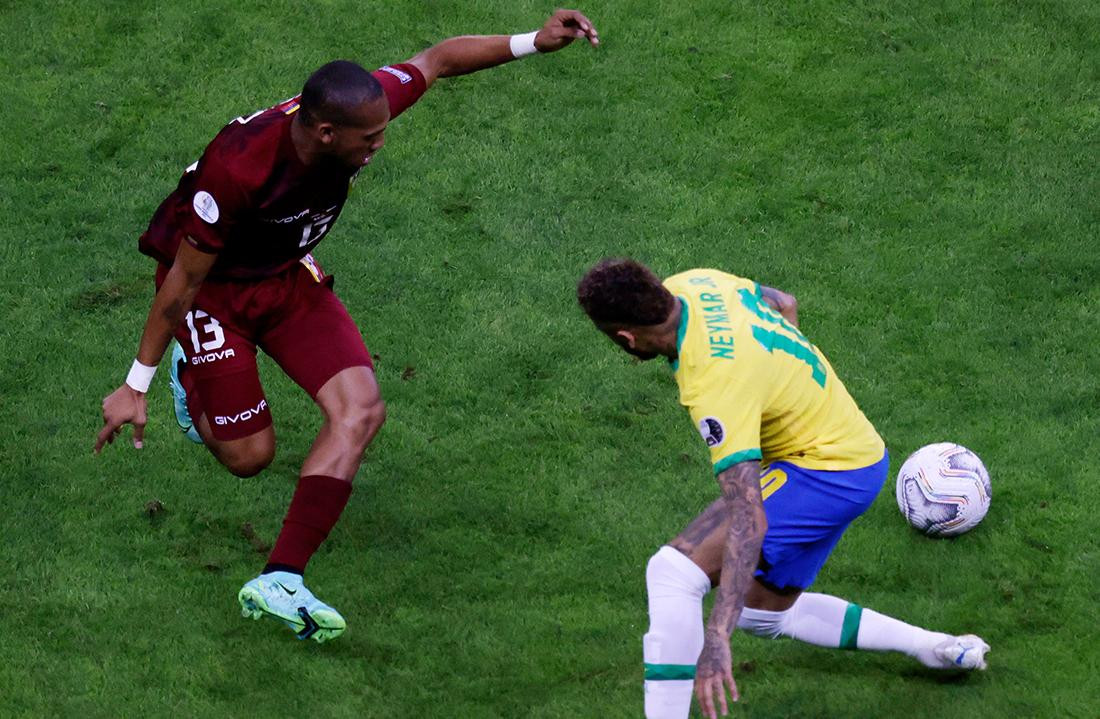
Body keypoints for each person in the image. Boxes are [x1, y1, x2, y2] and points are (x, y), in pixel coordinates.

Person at [94, 10, 600, 643]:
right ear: (326, 132)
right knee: (249, 458)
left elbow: (438, 57)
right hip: (214, 292)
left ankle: (281, 578)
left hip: (284, 275)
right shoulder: (238, 171)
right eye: (369, 138)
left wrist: (534, 42)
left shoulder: (357, 112)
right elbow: (183, 284)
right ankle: (189, 373)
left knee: (360, 409)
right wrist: (134, 382)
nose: (380, 145)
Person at [576, 259, 989, 719]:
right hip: (858, 452)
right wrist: (779, 382)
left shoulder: (715, 383)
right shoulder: (698, 282)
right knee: (764, 613)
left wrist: (716, 637)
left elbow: (750, 521)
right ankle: (933, 647)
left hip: (826, 472)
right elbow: (783, 302)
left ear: (626, 338)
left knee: (673, 574)